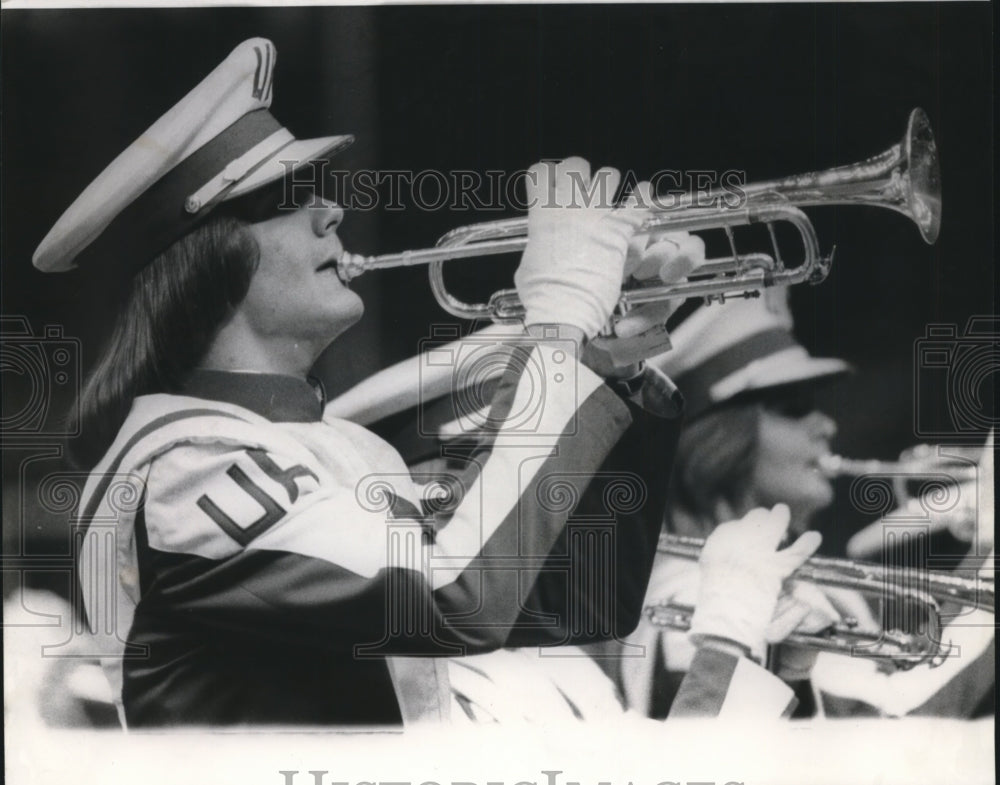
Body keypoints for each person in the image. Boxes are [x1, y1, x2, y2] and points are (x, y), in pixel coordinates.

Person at [34, 38, 824, 729]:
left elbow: (574, 598)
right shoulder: (183, 468)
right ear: (198, 261)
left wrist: (606, 353)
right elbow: (455, 594)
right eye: (286, 199)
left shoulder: (334, 446)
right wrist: (554, 325)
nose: (331, 213)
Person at [617, 290, 995, 719]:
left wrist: (978, 549)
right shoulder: (695, 599)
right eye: (794, 407)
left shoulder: (793, 581)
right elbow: (903, 739)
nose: (826, 425)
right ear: (717, 440)